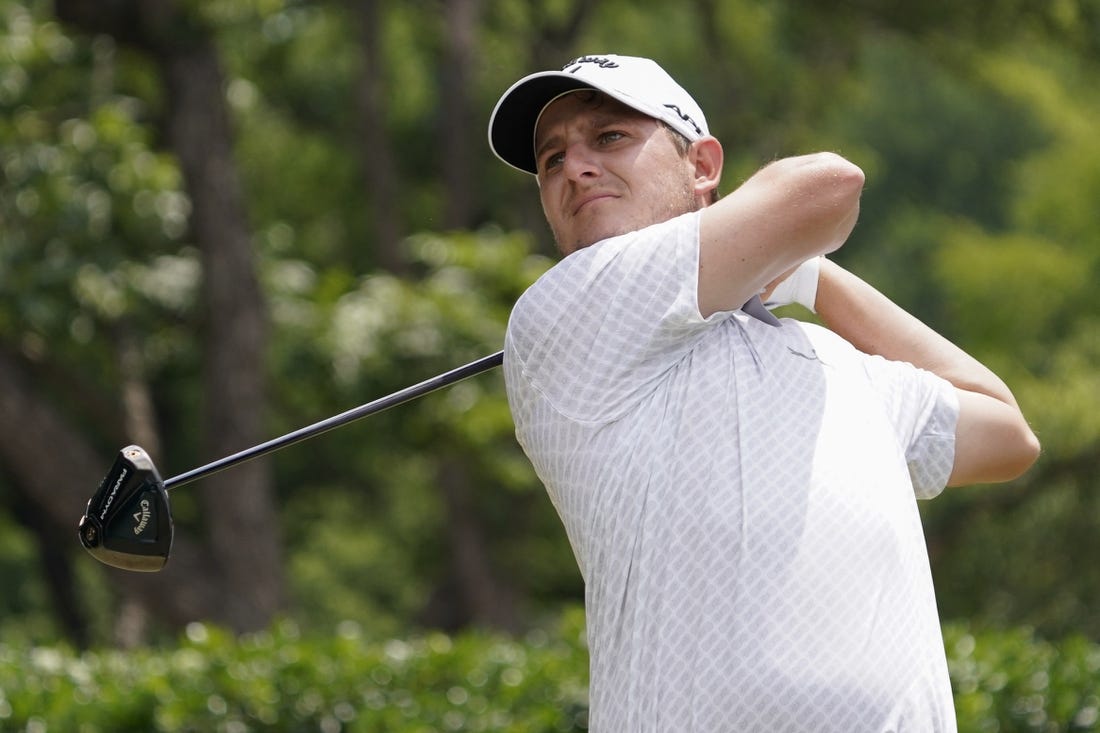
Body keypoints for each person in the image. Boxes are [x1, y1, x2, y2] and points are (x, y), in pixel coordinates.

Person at [487, 54, 1040, 732]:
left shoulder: (839, 363)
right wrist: (778, 246)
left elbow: (1008, 432)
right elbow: (826, 187)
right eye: (551, 160)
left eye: (609, 138)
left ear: (702, 166)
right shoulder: (565, 314)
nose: (573, 168)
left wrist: (808, 277)